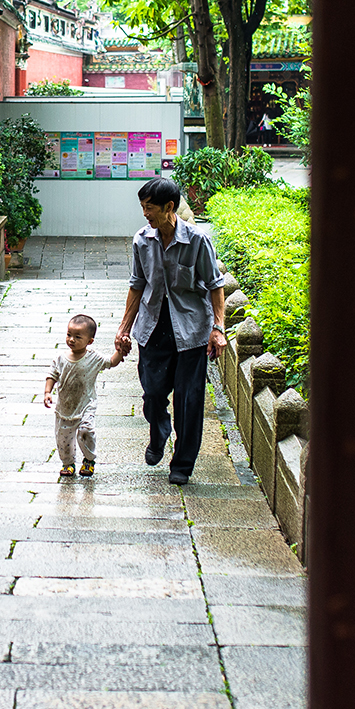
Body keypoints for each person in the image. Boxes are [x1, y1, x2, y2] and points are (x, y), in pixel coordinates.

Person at [115, 176, 231, 485]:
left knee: (189, 400)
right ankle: (160, 431)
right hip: (153, 327)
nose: (145, 214)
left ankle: (182, 464)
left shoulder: (197, 240)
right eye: (142, 207)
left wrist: (218, 328)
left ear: (169, 207)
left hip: (191, 330)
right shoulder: (142, 240)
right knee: (153, 393)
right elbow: (137, 285)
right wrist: (123, 328)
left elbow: (215, 285)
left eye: (149, 207)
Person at [43, 312, 130, 479]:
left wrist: (120, 350)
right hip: (65, 408)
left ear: (90, 341)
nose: (71, 340)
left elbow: (111, 361)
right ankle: (68, 463)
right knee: (63, 439)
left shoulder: (93, 358)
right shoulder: (60, 358)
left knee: (86, 430)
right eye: (69, 335)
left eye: (77, 337)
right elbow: (52, 375)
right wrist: (47, 392)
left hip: (86, 405)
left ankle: (89, 460)